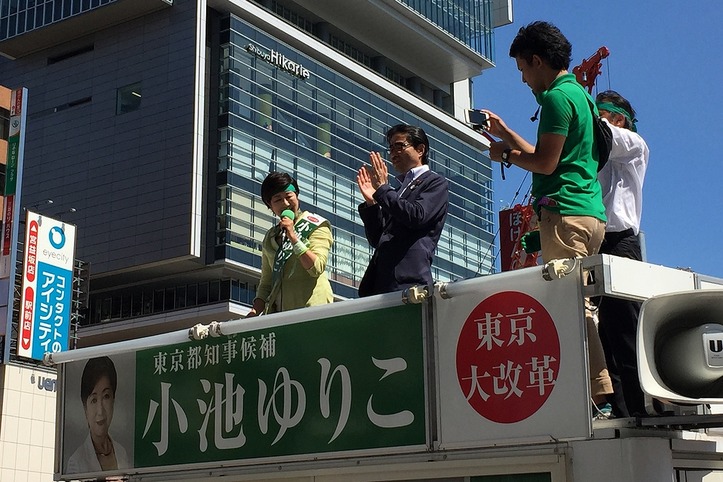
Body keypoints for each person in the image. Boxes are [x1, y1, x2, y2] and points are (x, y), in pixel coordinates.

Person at [480, 21, 613, 414]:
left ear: (537, 60)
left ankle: (596, 394)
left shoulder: (555, 98)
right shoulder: (579, 96)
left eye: (522, 69)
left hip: (563, 215)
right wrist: (505, 133)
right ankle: (593, 390)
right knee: (580, 300)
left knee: (568, 305)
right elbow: (547, 163)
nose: (523, 79)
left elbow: (543, 161)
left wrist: (503, 155)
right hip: (589, 214)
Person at [594, 90, 650, 417]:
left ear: (619, 119)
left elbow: (603, 134)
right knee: (604, 333)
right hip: (599, 241)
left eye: (602, 113)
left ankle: (640, 409)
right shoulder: (600, 149)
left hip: (621, 243)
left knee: (626, 329)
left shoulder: (633, 143)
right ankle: (619, 407)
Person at [356, 124, 449, 296]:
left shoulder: (435, 182)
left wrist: (383, 189)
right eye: (390, 148)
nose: (393, 153)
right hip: (381, 283)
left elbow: (417, 216)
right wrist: (372, 204)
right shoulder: (398, 191)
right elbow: (379, 238)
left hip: (409, 281)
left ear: (420, 150)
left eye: (399, 146)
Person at [246, 172, 333, 316]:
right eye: (278, 199)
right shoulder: (270, 237)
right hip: (281, 315)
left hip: (313, 310)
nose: (285, 203)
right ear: (270, 205)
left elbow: (316, 267)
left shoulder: (316, 224)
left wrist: (293, 237)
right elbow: (266, 283)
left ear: (297, 196)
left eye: (289, 196)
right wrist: (254, 312)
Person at [67, 356, 130, 473]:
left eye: (106, 396)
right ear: (85, 407)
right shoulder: (76, 461)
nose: (100, 411)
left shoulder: (121, 452)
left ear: (113, 400)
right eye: (94, 400)